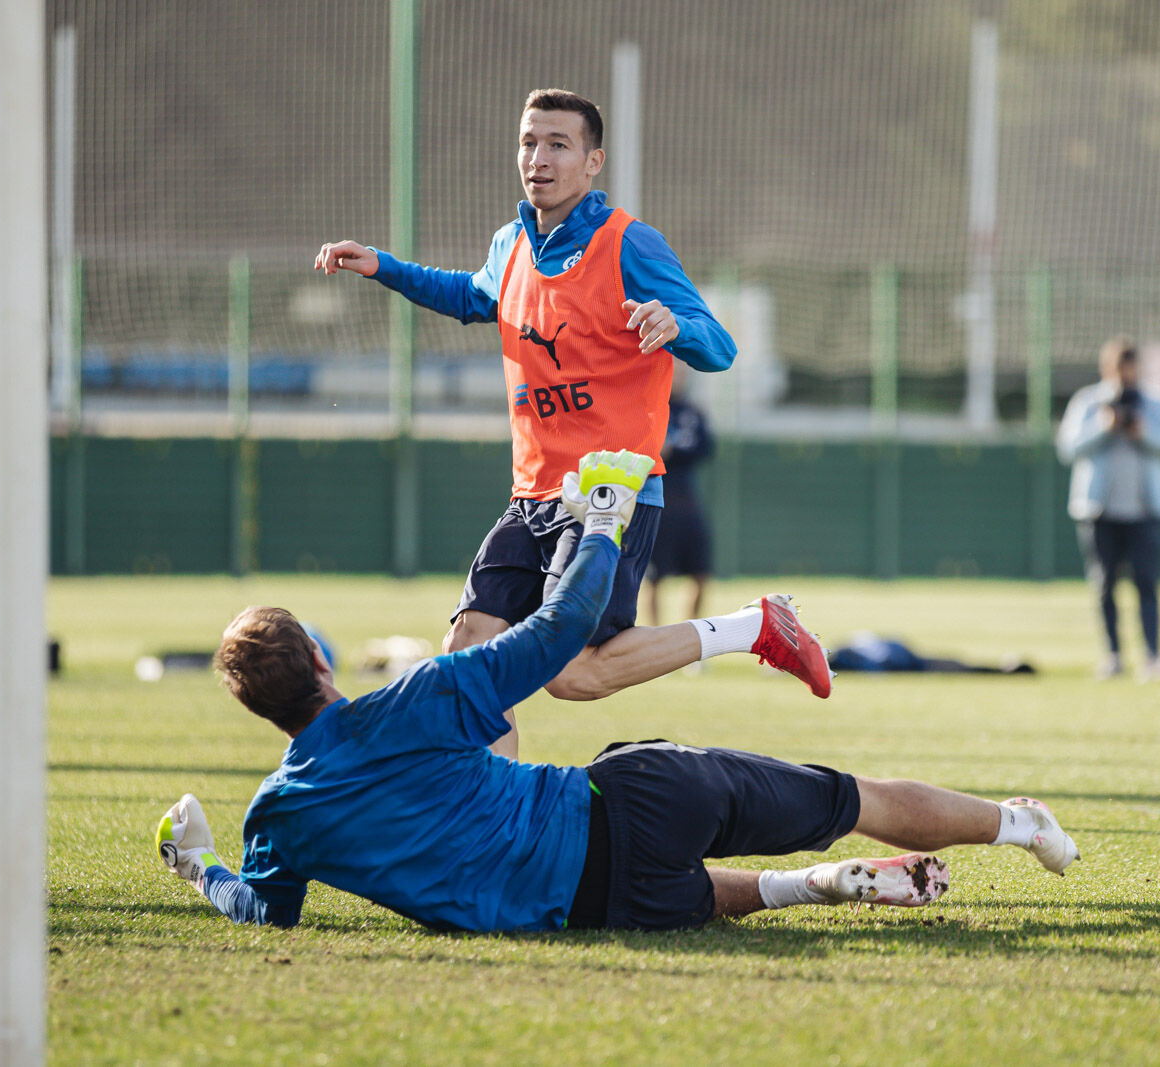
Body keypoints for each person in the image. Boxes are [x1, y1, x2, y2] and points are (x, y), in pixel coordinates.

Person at [154, 453, 1080, 933]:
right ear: (322, 664)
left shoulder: (281, 816)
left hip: (590, 909)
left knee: (707, 894)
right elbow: (561, 634)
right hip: (631, 798)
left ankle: (813, 886)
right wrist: (600, 521)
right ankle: (1018, 823)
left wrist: (201, 869)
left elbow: (263, 910)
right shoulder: (419, 697)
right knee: (853, 798)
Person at [314, 89, 822, 759]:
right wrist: (385, 267)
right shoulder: (513, 243)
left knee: (573, 672)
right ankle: (497, 822)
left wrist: (678, 326)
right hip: (530, 499)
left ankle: (754, 625)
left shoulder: (629, 243)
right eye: (528, 142)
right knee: (469, 653)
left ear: (592, 162)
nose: (538, 157)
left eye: (558, 144)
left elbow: (720, 345)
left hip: (610, 495)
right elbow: (474, 296)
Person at [1056, 336, 1160, 682]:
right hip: (1099, 511)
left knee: (1147, 584)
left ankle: (1153, 657)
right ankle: (1113, 656)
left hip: (1146, 510)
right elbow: (1067, 448)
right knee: (1104, 585)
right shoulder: (1089, 402)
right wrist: (1103, 426)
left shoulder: (1155, 403)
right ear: (1106, 369)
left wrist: (1145, 433)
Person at [641, 369, 715, 626]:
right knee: (653, 577)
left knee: (701, 573)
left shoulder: (692, 413)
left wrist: (673, 450)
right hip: (656, 502)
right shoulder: (646, 410)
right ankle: (654, 636)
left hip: (688, 502)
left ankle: (690, 635)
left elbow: (706, 447)